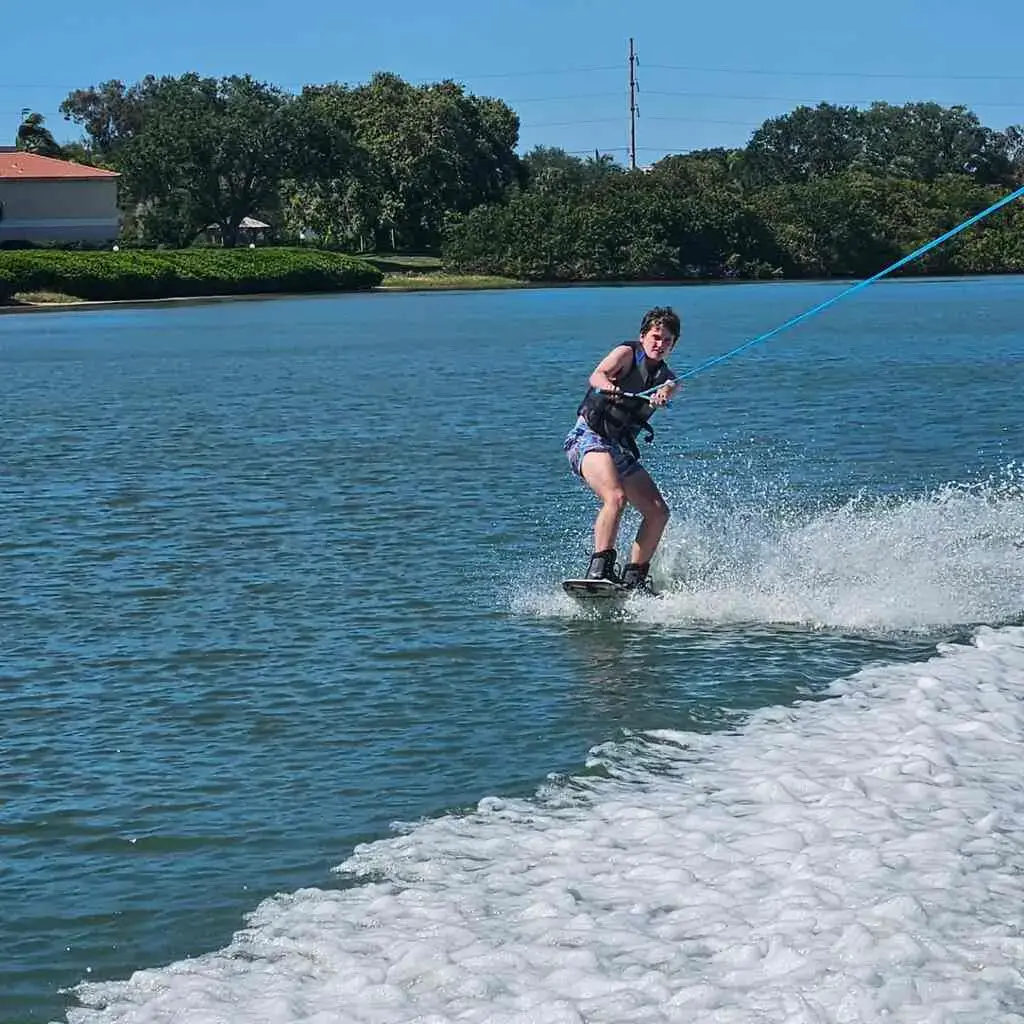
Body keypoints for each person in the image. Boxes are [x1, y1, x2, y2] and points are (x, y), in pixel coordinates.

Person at [563, 306, 681, 591]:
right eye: (655, 337)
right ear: (643, 336)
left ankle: (634, 577)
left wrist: (662, 396)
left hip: (618, 449)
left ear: (673, 344)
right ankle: (599, 568)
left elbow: (670, 388)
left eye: (667, 340)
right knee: (615, 497)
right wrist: (608, 386)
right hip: (587, 438)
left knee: (658, 512)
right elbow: (597, 375)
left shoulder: (668, 378)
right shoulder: (626, 354)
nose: (659, 344)